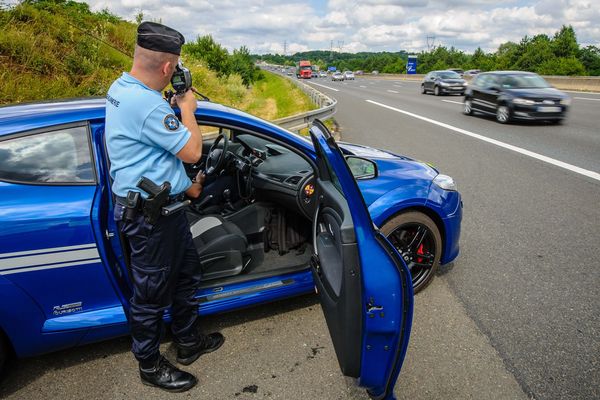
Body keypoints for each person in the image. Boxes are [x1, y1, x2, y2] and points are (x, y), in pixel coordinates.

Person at [105, 21, 224, 392]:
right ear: (168, 68)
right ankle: (149, 364)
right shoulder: (146, 105)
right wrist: (187, 107)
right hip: (152, 220)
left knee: (187, 276)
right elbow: (191, 150)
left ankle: (188, 342)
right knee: (152, 294)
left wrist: (188, 188)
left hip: (164, 211)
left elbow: (155, 155)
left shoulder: (121, 88)